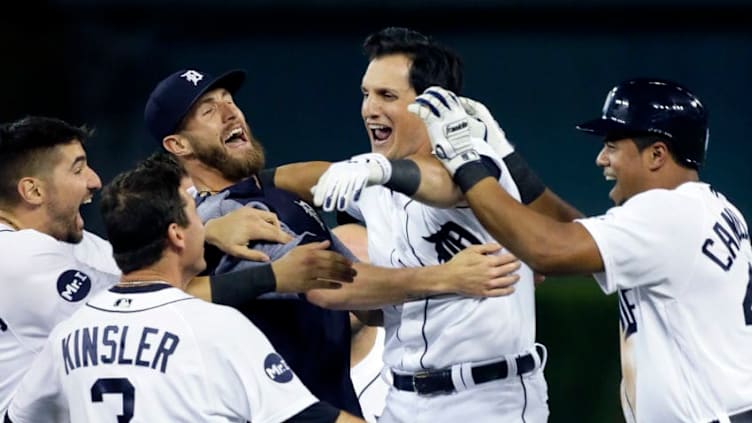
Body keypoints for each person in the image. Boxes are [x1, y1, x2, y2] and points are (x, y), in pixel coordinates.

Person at [143, 64, 522, 418]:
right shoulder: (232, 215)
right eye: (209, 111)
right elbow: (332, 285)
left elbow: (367, 309)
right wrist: (447, 278)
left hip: (330, 402)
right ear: (178, 145)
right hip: (290, 413)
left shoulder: (271, 193)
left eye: (230, 101)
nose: (231, 113)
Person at [401, 79, 752, 422]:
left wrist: (463, 160)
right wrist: (506, 157)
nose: (601, 159)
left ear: (657, 154)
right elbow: (577, 239)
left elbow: (546, 250)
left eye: (613, 145)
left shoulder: (668, 214)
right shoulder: (704, 209)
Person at [295, 27, 587, 422]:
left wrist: (380, 169)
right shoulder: (374, 183)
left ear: (430, 104)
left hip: (487, 400)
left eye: (387, 95)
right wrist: (238, 185)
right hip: (402, 398)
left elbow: (445, 185)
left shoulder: (476, 161)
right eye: (366, 93)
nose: (369, 107)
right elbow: (314, 177)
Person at [0, 116, 354, 414]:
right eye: (78, 169)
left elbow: (142, 263)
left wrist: (207, 230)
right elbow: (145, 292)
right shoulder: (16, 257)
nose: (94, 180)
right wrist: (274, 276)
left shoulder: (64, 243)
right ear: (32, 191)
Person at [331, 223, 389, 423]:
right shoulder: (286, 367)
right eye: (332, 271)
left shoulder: (409, 362)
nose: (345, 287)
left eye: (359, 272)